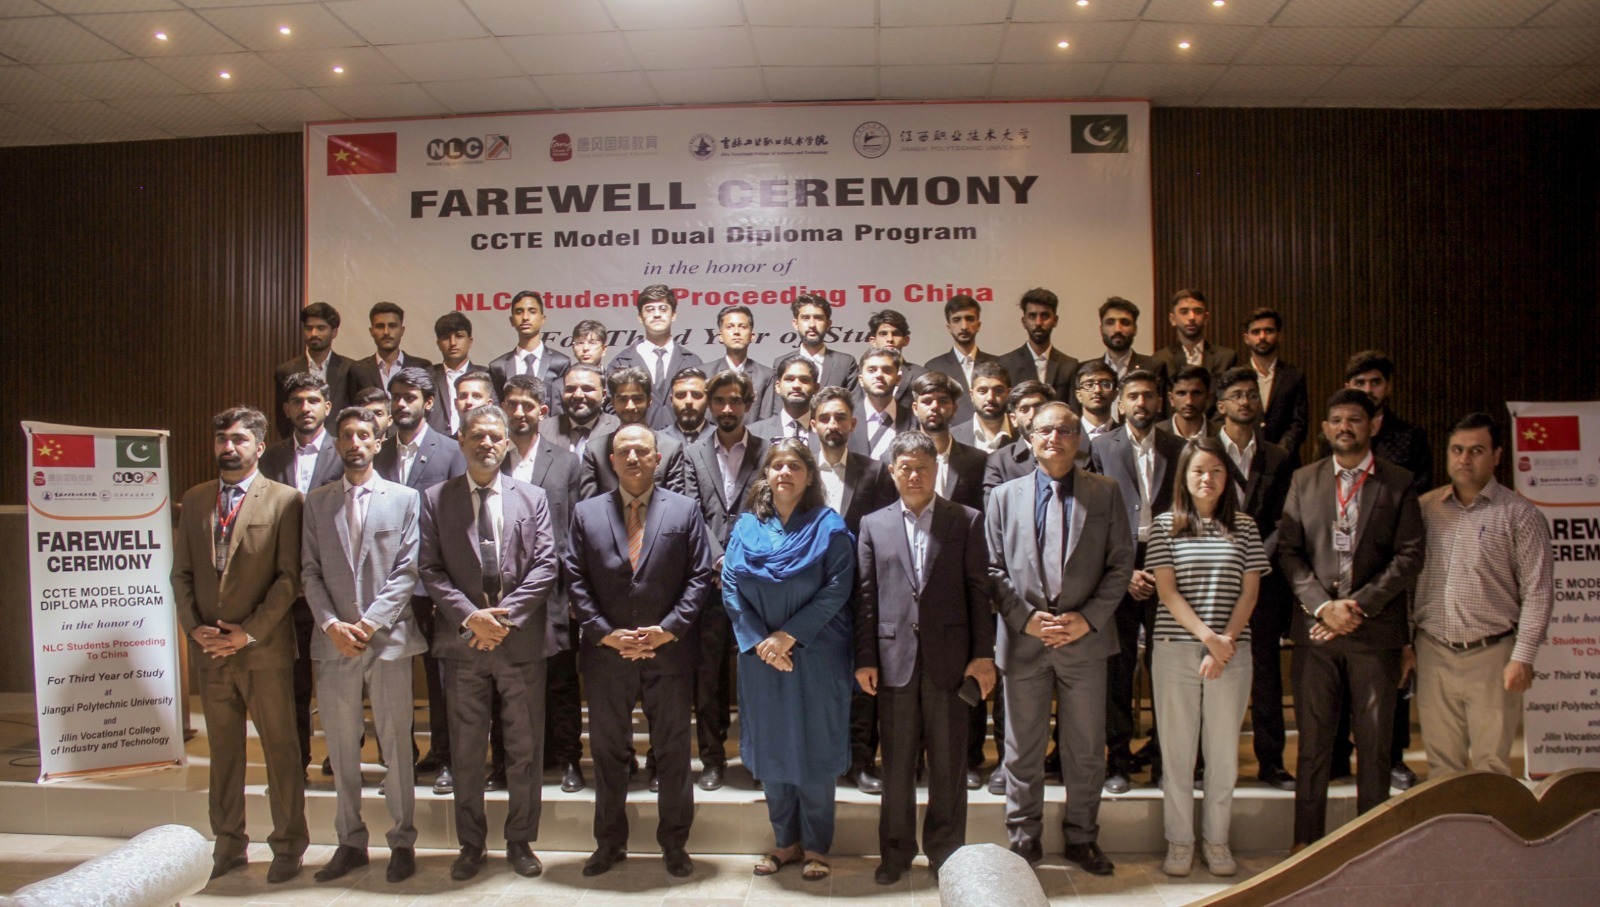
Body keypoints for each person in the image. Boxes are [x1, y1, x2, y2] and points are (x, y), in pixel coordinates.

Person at [988, 402, 1132, 874]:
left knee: (1086, 748)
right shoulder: (1004, 496)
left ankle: (1082, 837)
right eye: (1045, 430)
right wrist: (1026, 618)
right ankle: (1023, 836)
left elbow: (1120, 565)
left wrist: (1087, 619)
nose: (1055, 438)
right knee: (1022, 749)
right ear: (1030, 438)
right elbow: (991, 568)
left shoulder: (1106, 492)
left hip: (1084, 641)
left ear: (1079, 439)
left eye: (1066, 430)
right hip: (1024, 640)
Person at [418, 404, 561, 881]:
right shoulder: (436, 499)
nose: (486, 444)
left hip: (519, 643)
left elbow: (546, 564)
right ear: (460, 440)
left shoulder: (532, 497)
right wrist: (471, 618)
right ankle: (471, 844)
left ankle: (520, 840)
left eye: (495, 437)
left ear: (507, 444)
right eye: (477, 435)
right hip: (463, 645)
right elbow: (430, 569)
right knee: (465, 750)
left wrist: (504, 619)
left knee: (524, 748)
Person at [1279, 389, 1424, 851]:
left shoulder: (1400, 482)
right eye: (1337, 420)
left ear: (1373, 426)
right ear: (1325, 428)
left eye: (1355, 420)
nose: (1345, 427)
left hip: (1374, 634)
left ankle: (1371, 848)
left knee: (1375, 747)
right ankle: (1305, 847)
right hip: (1316, 633)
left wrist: (1355, 606)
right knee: (1313, 748)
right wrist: (1323, 606)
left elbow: (1410, 556)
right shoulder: (1304, 480)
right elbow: (1289, 552)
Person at [566, 424, 714, 878]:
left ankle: (675, 844)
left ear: (657, 459)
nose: (633, 458)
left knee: (672, 753)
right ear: (611, 460)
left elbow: (699, 576)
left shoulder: (685, 510)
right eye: (624, 451)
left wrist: (668, 630)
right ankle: (609, 843)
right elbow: (575, 578)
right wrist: (603, 633)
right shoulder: (586, 512)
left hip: (668, 654)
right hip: (607, 655)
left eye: (641, 451)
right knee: (608, 754)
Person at [171, 406, 307, 883]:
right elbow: (181, 574)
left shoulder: (286, 501)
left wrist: (247, 633)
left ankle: (288, 845)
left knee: (281, 752)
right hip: (211, 651)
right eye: (222, 439)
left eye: (239, 439)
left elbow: (289, 580)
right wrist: (194, 629)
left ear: (260, 446)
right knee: (224, 756)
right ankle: (228, 845)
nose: (228, 447)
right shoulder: (195, 499)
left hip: (262, 650)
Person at [855, 432, 996, 883]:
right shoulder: (873, 524)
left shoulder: (965, 520)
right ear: (892, 472)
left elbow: (979, 591)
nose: (914, 475)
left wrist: (983, 655)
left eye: (923, 467)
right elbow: (866, 597)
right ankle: (895, 854)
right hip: (893, 659)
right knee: (896, 764)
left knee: (950, 765)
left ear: (938, 470)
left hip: (951, 660)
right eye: (906, 467)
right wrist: (865, 658)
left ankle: (947, 853)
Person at [723, 439, 856, 882]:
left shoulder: (829, 526)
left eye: (795, 466)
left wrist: (787, 636)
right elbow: (730, 587)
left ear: (809, 475)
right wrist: (762, 642)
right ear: (766, 474)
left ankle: (816, 845)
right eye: (777, 465)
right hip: (760, 657)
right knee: (772, 745)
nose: (785, 473)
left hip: (816, 652)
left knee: (815, 746)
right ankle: (785, 841)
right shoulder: (745, 527)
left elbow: (837, 589)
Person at [301, 407, 424, 884]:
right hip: (334, 644)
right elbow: (310, 572)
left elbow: (407, 570)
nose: (354, 442)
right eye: (346, 435)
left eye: (363, 435)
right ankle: (350, 841)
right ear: (337, 444)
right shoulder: (317, 502)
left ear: (378, 441)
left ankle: (402, 841)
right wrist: (332, 624)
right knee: (340, 748)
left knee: (396, 747)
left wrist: (369, 624)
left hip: (388, 640)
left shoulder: (405, 498)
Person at [1146, 436, 1268, 878]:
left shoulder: (1246, 527)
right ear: (1184, 476)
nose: (1207, 479)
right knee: (1177, 754)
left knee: (1223, 754)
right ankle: (1180, 842)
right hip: (1175, 648)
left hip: (1232, 652)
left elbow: (1250, 593)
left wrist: (1223, 642)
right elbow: (1167, 592)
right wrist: (1207, 638)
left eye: (1216, 471)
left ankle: (1217, 841)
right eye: (1198, 470)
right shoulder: (1165, 526)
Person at [1414, 413, 1553, 776]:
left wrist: (1523, 657)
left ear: (1497, 456)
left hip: (1493, 654)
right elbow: (1405, 580)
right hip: (1433, 650)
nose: (1464, 459)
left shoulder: (1520, 515)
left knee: (1492, 768)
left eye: (1476, 450)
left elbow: (1538, 592)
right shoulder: (1425, 509)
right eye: (1457, 450)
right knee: (1441, 768)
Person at [1326, 350, 1432, 790]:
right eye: (1360, 383)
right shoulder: (1336, 435)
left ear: (1388, 386)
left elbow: (1416, 501)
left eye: (1375, 382)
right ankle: (1336, 754)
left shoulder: (1410, 437)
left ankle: (1392, 757)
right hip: (1338, 575)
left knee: (1391, 670)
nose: (1368, 389)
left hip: (1387, 569)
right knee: (1336, 673)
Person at [1090, 368, 1186, 792]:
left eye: (1148, 396)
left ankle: (1166, 761)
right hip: (1119, 566)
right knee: (1119, 668)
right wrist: (1123, 571)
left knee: (1167, 669)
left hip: (1168, 564)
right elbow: (1093, 517)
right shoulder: (1100, 448)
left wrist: (1164, 568)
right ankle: (1118, 761)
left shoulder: (1180, 448)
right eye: (1133, 396)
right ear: (1121, 402)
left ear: (1160, 402)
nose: (1141, 403)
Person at [374, 367, 466, 792]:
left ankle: (446, 758)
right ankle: (399, 760)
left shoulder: (450, 451)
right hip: (384, 586)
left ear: (429, 403)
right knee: (390, 676)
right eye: (395, 396)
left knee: (439, 677)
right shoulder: (378, 454)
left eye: (409, 396)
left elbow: (457, 522)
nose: (401, 404)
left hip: (432, 585)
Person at [682, 369, 770, 791]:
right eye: (719, 401)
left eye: (735, 400)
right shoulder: (692, 453)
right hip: (708, 583)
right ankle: (712, 760)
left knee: (757, 676)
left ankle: (758, 759)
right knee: (708, 678)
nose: (727, 408)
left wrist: (738, 562)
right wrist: (719, 560)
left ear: (748, 404)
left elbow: (771, 511)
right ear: (709, 405)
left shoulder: (768, 452)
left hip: (756, 583)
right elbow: (689, 512)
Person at [809, 385, 897, 794]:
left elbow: (886, 530)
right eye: (825, 418)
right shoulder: (798, 470)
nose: (833, 424)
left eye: (841, 418)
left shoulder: (875, 471)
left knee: (864, 680)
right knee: (817, 682)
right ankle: (822, 760)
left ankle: (860, 762)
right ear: (813, 424)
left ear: (853, 424)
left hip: (862, 589)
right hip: (810, 594)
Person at [499, 375, 584, 794]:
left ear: (542, 412)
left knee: (561, 679)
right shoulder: (492, 457)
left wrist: (573, 592)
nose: (519, 413)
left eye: (528, 406)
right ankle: (506, 763)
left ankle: (569, 759)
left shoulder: (566, 462)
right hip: (503, 590)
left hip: (555, 589)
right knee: (505, 679)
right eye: (512, 405)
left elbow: (575, 528)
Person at [1214, 367, 1297, 792]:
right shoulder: (1203, 451)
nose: (1245, 401)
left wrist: (1253, 562)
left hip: (1264, 582)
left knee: (1266, 674)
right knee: (1211, 670)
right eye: (1237, 395)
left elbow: (1285, 519)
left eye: (1251, 394)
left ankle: (1272, 762)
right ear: (1221, 405)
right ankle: (1209, 763)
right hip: (1211, 580)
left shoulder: (1279, 457)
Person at [257, 371, 342, 778]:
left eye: (312, 401)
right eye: (297, 402)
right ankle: (297, 760)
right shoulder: (269, 457)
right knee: (293, 680)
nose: (305, 408)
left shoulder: (346, 448)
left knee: (337, 677)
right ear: (287, 409)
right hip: (285, 585)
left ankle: (341, 754)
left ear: (327, 407)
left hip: (333, 583)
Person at [579, 367, 688, 499]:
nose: (630, 406)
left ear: (649, 400)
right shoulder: (595, 451)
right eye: (622, 399)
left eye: (637, 399)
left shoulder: (670, 449)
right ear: (612, 402)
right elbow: (588, 506)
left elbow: (677, 504)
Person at [605, 284, 703, 430]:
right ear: (640, 317)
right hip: (637, 440)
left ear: (673, 315)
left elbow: (702, 406)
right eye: (650, 309)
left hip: (683, 440)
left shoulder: (693, 362)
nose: (657, 314)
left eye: (663, 309)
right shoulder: (621, 362)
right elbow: (611, 407)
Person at [910, 371, 985, 515]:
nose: (934, 407)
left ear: (954, 409)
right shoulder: (895, 458)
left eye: (943, 401)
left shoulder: (977, 460)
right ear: (915, 408)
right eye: (927, 401)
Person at [274, 302, 351, 439]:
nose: (314, 333)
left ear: (334, 332)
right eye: (309, 328)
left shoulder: (349, 368)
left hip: (339, 445)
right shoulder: (286, 371)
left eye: (321, 328)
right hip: (300, 445)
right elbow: (283, 419)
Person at [1242, 308, 1308, 464]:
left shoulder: (1294, 376)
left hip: (1286, 462)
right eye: (1256, 332)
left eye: (1268, 331)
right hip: (1247, 460)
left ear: (1279, 335)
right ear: (1247, 338)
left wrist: (1280, 453)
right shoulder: (1238, 377)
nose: (1262, 337)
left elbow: (1299, 422)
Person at [488, 291, 572, 411]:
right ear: (512, 320)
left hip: (548, 423)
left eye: (532, 311)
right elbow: (497, 410)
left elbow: (562, 407)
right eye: (519, 312)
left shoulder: (560, 362)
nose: (525, 317)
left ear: (543, 319)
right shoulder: (498, 366)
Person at [996, 288, 1081, 406]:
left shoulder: (1070, 366)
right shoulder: (1006, 364)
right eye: (1032, 316)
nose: (1038, 323)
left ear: (1055, 320)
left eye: (1045, 316)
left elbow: (1073, 410)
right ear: (1024, 321)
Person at [1148, 290, 1236, 395]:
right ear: (1172, 319)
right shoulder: (1160, 359)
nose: (1192, 317)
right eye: (1184, 312)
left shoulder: (1225, 358)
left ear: (1206, 318)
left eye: (1198, 311)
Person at [703, 305, 775, 423]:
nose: (736, 332)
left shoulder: (766, 376)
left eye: (743, 327)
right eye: (730, 327)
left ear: (752, 336)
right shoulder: (705, 373)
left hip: (754, 435)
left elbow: (766, 422)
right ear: (720, 336)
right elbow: (704, 420)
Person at [982, 380, 1054, 498]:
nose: (1032, 415)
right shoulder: (998, 462)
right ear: (1013, 419)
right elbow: (994, 507)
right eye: (1024, 410)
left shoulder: (1076, 458)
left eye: (1039, 407)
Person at [347, 301, 432, 400]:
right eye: (380, 326)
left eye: (392, 326)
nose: (386, 332)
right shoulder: (358, 370)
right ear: (371, 331)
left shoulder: (421, 367)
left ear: (402, 330)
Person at [538, 362, 619, 463]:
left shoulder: (618, 428)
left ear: (603, 395)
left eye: (587, 389)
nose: (578, 395)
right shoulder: (541, 430)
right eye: (570, 389)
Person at [925, 294, 1000, 397]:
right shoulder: (934, 367)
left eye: (969, 319)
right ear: (949, 327)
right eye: (956, 320)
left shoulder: (997, 364)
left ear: (978, 325)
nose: (964, 326)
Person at [852, 347, 915, 461]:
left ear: (898, 379)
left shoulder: (915, 421)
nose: (879, 375)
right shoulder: (846, 419)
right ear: (861, 380)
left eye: (887, 370)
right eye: (872, 370)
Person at [784, 293, 858, 390]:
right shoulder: (781, 363)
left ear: (828, 324)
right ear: (796, 324)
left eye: (818, 318)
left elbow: (855, 399)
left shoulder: (845, 363)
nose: (812, 325)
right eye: (805, 318)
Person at [427, 312, 480, 438]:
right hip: (434, 445)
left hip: (476, 443)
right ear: (438, 344)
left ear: (470, 342)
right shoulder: (426, 376)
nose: (453, 343)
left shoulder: (486, 376)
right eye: (446, 337)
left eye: (459, 336)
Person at [750, 354, 820, 442]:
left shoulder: (828, 432)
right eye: (789, 379)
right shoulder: (753, 433)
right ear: (777, 386)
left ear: (816, 388)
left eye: (804, 380)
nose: (796, 385)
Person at [866, 308, 926, 410]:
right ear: (873, 341)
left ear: (906, 340)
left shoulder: (921, 374)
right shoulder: (860, 374)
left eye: (895, 334)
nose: (889, 339)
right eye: (883, 334)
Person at [951, 360, 1014, 453]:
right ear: (972, 395)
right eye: (982, 391)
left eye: (998, 391)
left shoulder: (1024, 433)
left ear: (1009, 394)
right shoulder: (952, 437)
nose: (990, 398)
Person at [1097, 296, 1156, 384]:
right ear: (1101, 330)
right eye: (1110, 323)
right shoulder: (1085, 369)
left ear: (1135, 329)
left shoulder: (1154, 366)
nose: (1117, 329)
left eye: (1125, 323)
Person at [1160, 365, 1213, 441]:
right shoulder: (1154, 435)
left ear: (1208, 397)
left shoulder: (1222, 435)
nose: (1189, 401)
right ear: (1171, 398)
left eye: (1196, 393)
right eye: (1181, 394)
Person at [662, 366, 710, 447]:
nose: (688, 401)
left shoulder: (722, 438)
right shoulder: (657, 441)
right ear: (671, 400)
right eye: (680, 395)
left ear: (708, 400)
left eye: (696, 395)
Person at [1073, 361, 1120, 443]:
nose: (1097, 390)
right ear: (1079, 395)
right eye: (1089, 385)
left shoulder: (1127, 436)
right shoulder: (1067, 434)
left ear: (1115, 394)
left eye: (1105, 384)